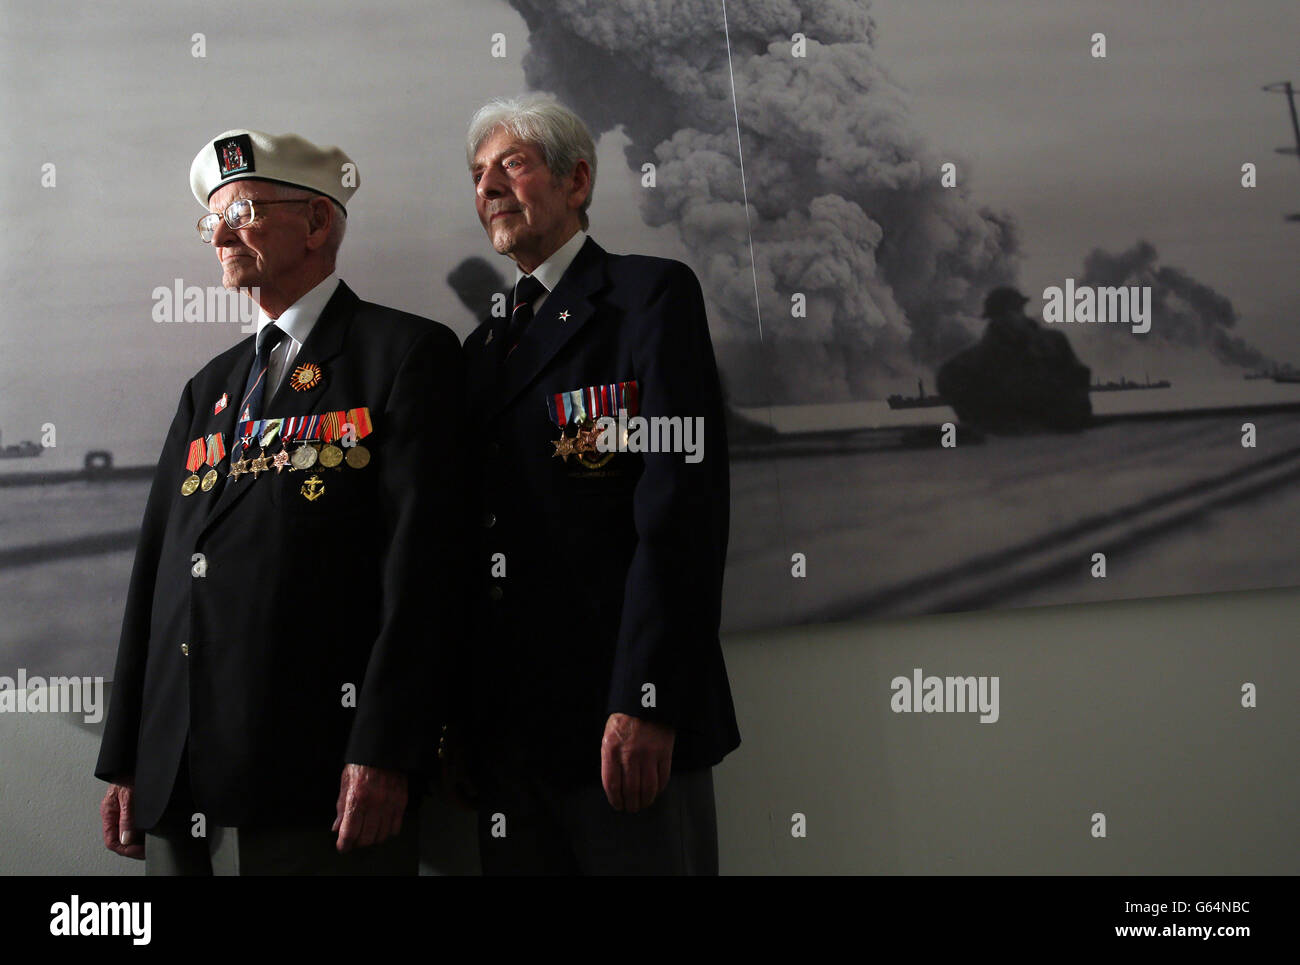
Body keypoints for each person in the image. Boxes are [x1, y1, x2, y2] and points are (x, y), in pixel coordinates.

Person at [95, 129, 464, 874]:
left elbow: (423, 568)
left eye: (246, 211)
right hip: (179, 764)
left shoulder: (403, 355)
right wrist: (129, 751)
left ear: (318, 223)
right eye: (213, 220)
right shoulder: (211, 386)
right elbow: (159, 574)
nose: (221, 234)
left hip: (316, 761)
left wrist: (387, 745)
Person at [454, 95, 740, 874]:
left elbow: (680, 512)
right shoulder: (478, 351)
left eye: (512, 165)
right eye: (478, 175)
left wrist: (648, 695)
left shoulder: (649, 299)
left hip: (625, 724)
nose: (489, 188)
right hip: (511, 736)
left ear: (577, 181)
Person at [936, 286, 1092, 433]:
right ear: (994, 318)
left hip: (1057, 427)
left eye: (1014, 311)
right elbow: (947, 379)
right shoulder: (978, 358)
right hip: (1007, 431)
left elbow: (1078, 379)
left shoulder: (1054, 343)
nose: (1009, 317)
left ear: (1021, 311)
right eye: (1002, 314)